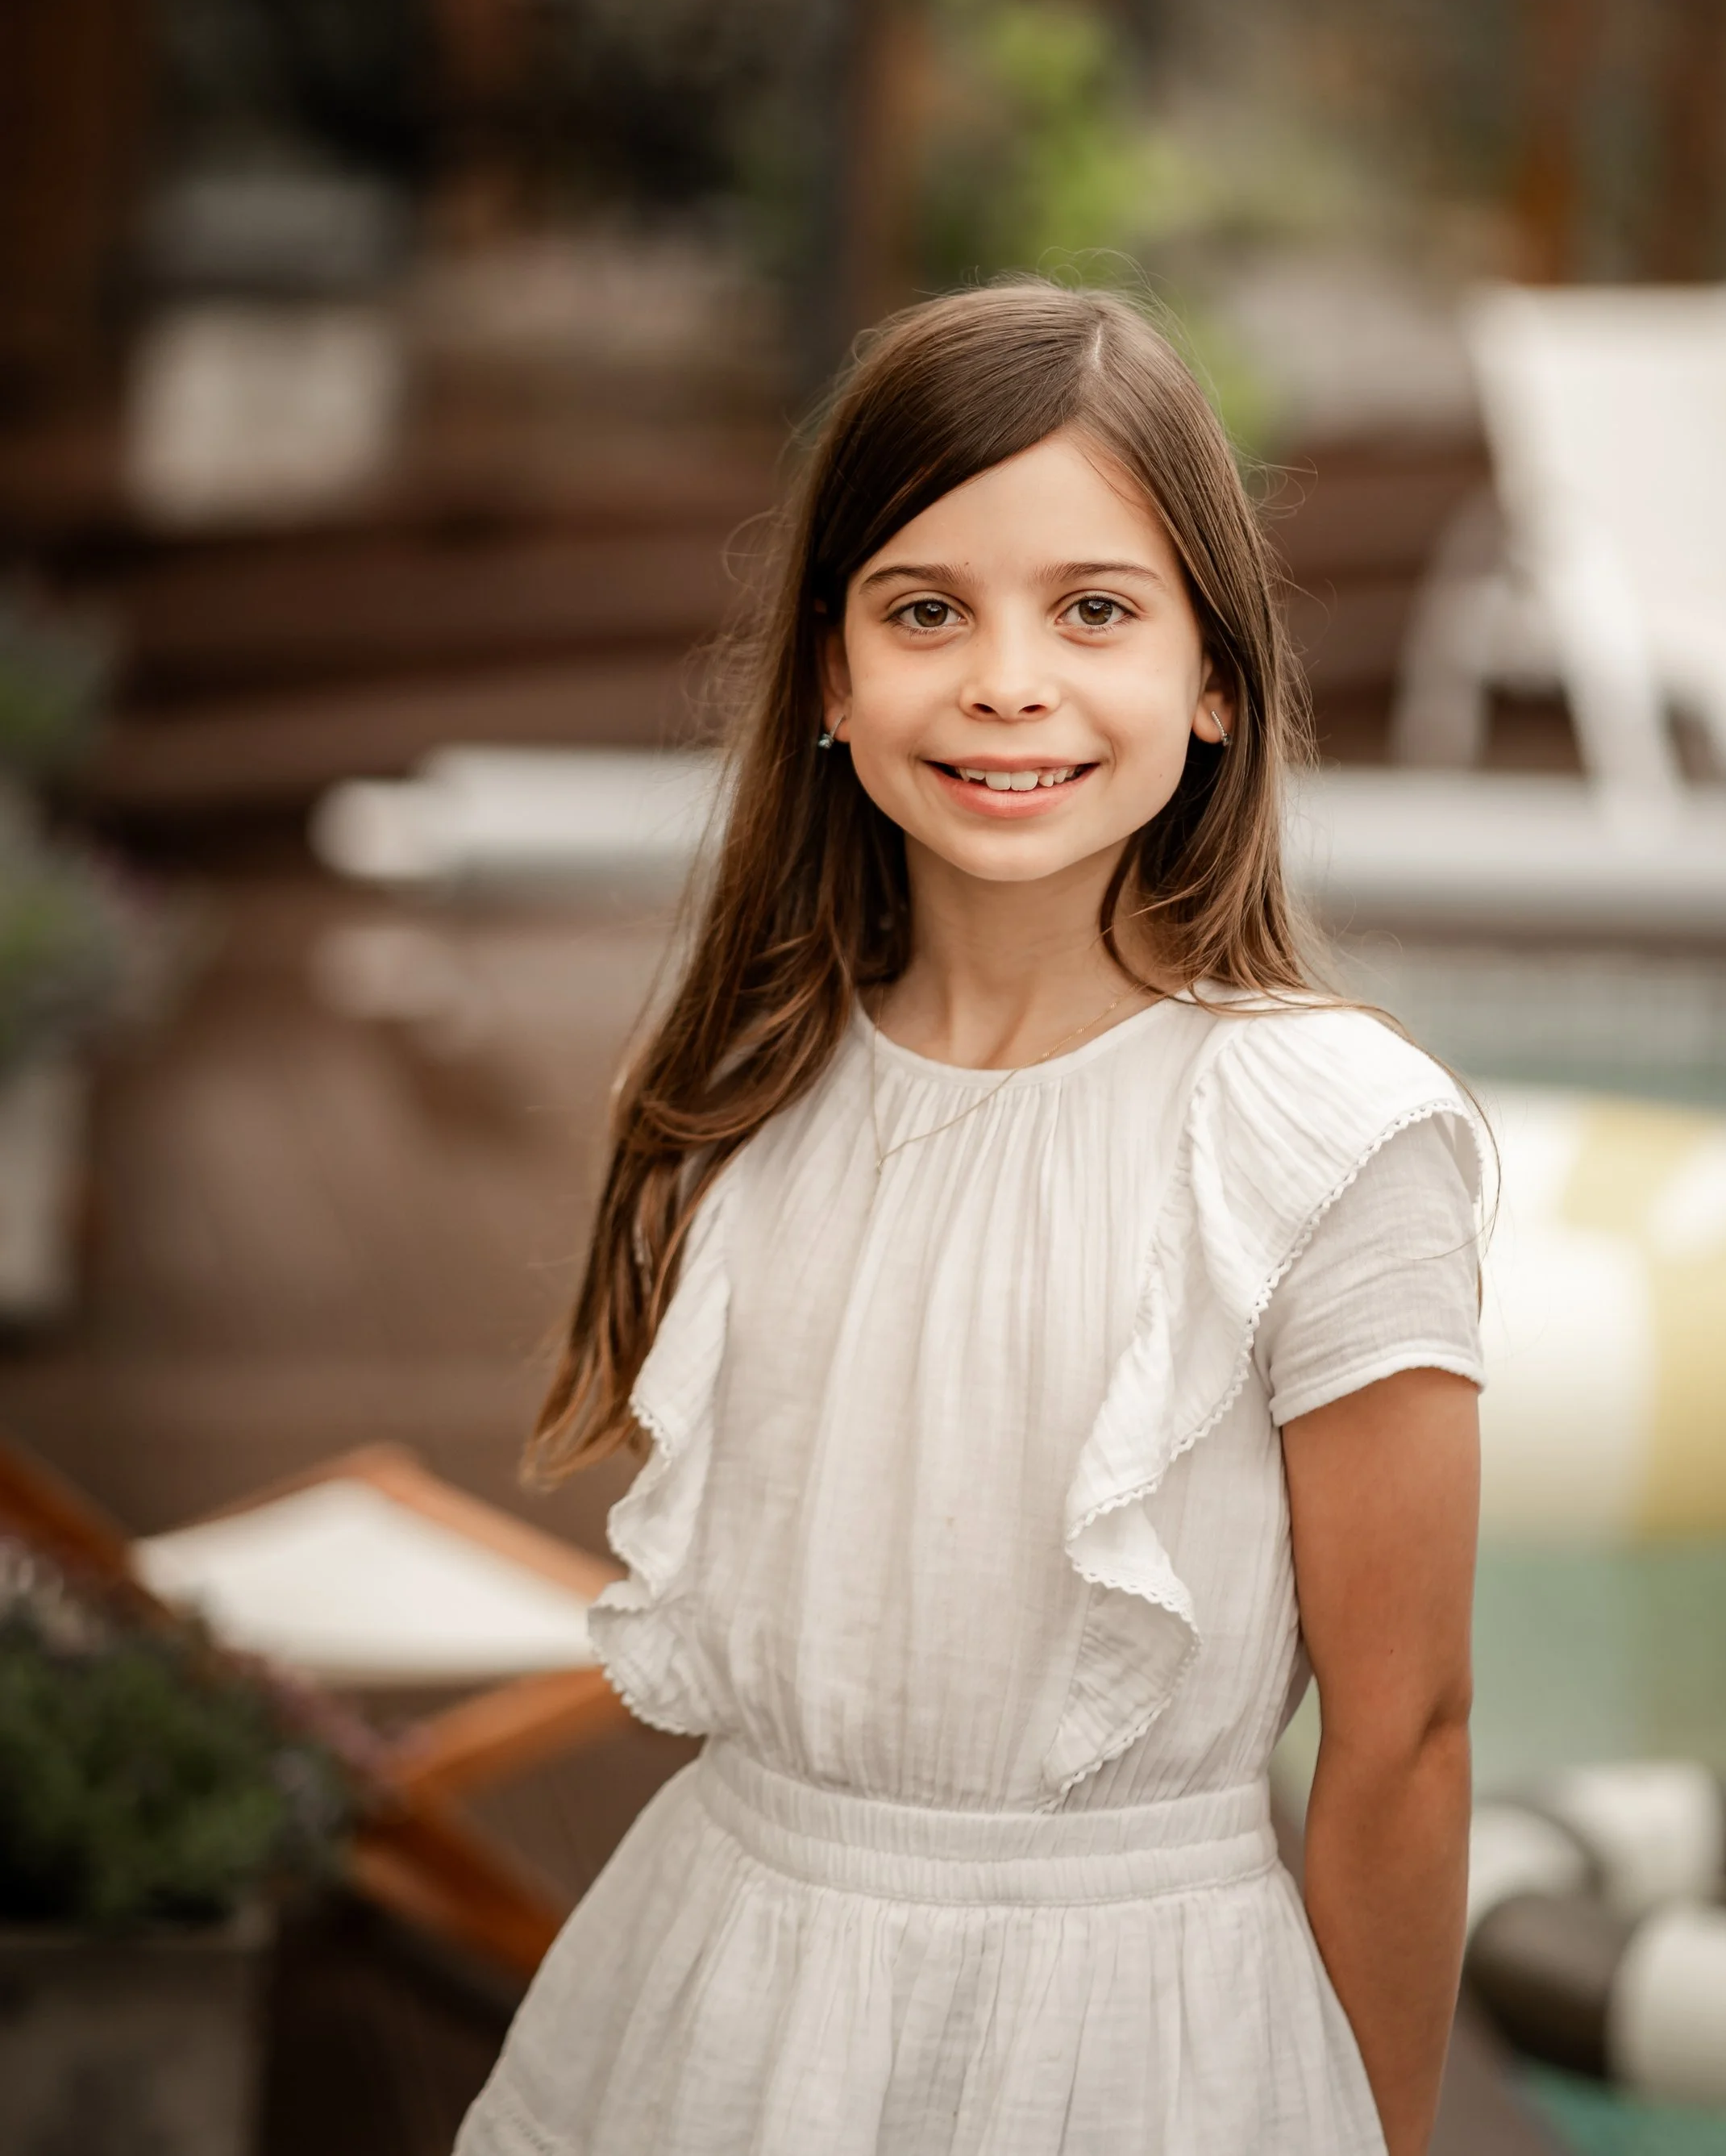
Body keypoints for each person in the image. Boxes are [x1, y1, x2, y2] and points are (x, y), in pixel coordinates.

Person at [457, 281, 1484, 2156]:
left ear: (1212, 681)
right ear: (832, 685)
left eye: (1093, 609)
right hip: (730, 2000)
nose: (1006, 678)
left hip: (1139, 2038)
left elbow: (1401, 1738)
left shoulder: (1324, 1137)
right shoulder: (746, 1094)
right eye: (926, 610)